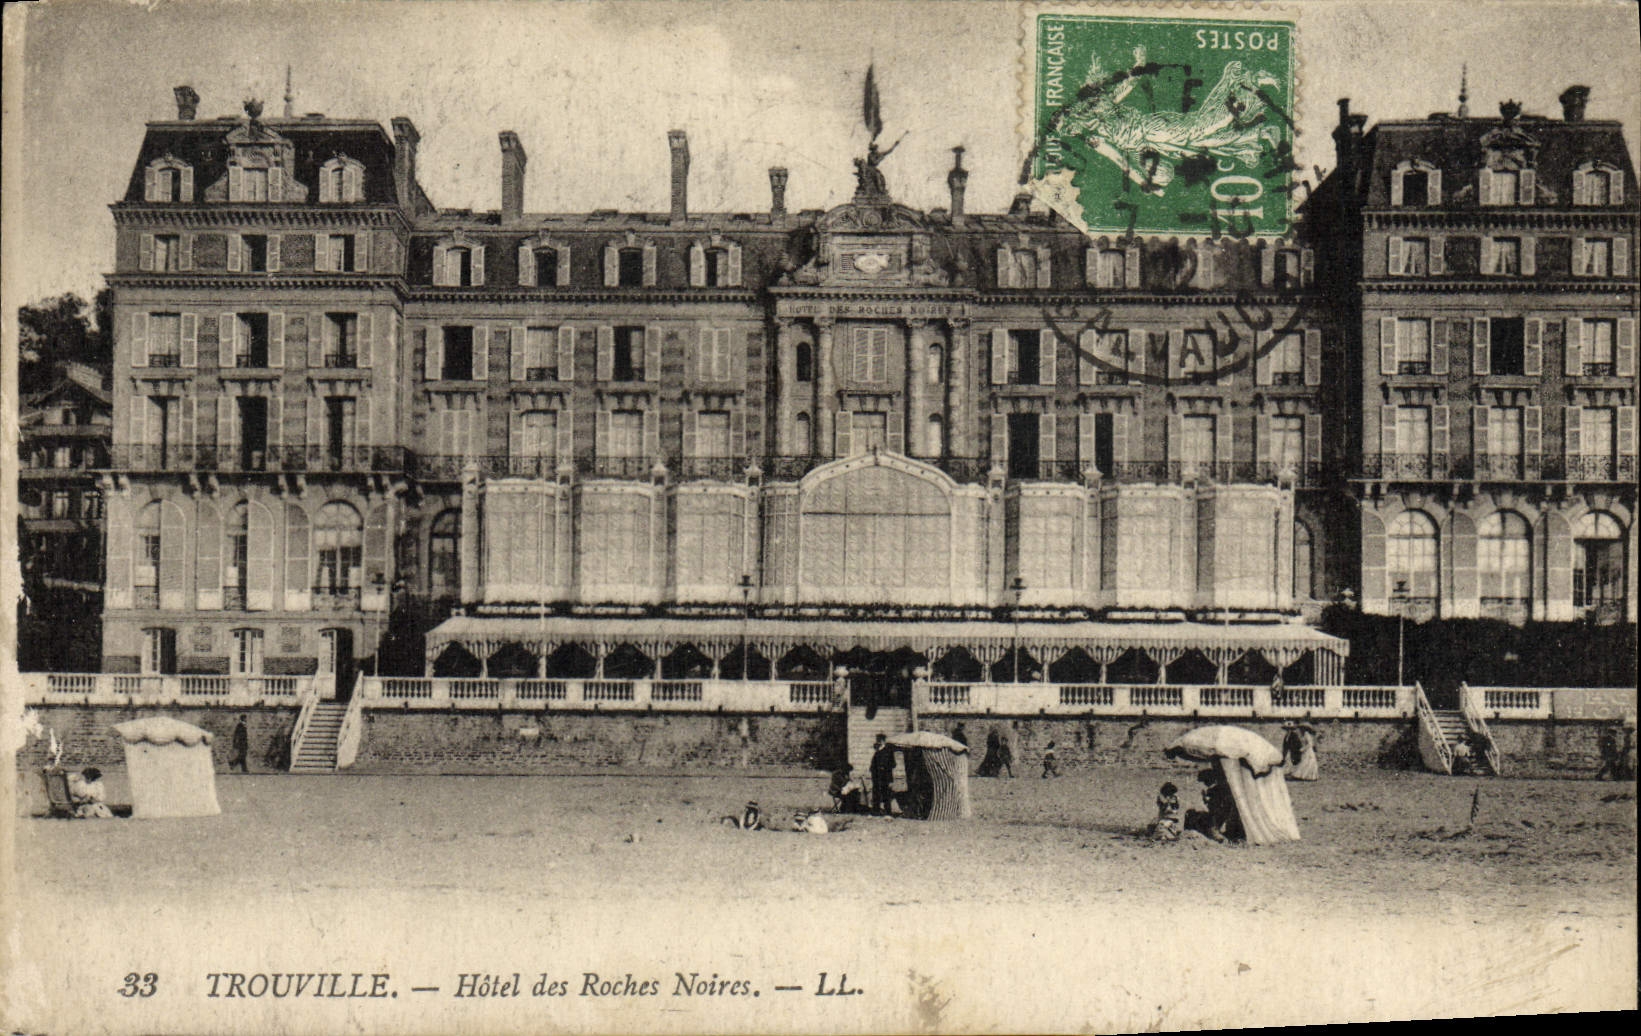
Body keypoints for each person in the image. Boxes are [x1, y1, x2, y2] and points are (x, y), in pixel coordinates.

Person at [869, 735, 897, 815]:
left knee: (885, 794)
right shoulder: (876, 752)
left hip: (885, 776)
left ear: (883, 741)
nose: (877, 742)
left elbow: (893, 764)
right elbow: (873, 764)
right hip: (876, 776)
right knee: (876, 794)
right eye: (877, 740)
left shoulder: (888, 752)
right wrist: (872, 769)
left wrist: (884, 767)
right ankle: (876, 811)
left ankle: (888, 812)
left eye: (879, 740)